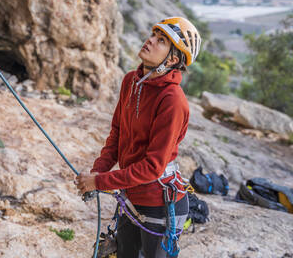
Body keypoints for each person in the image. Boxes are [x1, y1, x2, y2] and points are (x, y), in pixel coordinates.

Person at [75, 17, 201, 258]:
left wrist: (100, 182)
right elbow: (117, 134)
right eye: (153, 35)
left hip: (159, 205)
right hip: (131, 197)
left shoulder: (172, 100)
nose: (150, 40)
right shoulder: (131, 81)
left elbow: (152, 167)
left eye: (161, 41)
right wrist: (97, 173)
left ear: (173, 59)